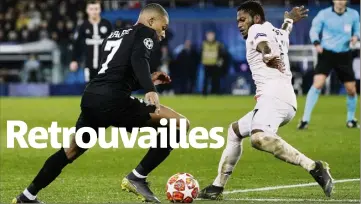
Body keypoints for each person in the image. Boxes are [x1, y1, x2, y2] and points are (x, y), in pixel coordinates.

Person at [12, 3, 190, 203]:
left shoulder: (117, 34)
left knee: (70, 151)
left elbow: (115, 75)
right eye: (163, 27)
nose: (163, 34)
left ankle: (26, 196)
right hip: (113, 101)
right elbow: (139, 59)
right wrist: (150, 88)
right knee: (180, 123)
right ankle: (137, 178)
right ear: (151, 21)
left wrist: (148, 79)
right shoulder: (146, 33)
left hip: (92, 97)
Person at [198, 1, 334, 200]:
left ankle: (314, 167)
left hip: (275, 97)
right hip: (280, 99)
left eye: (243, 19)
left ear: (256, 18)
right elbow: (284, 31)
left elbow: (264, 44)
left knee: (259, 138)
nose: (239, 24)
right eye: (237, 20)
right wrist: (289, 20)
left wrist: (267, 53)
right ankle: (217, 187)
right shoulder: (276, 31)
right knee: (234, 131)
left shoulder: (256, 30)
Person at [298, 0, 360, 129]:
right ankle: (305, 120)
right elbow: (314, 29)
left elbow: (357, 30)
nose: (340, 1)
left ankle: (351, 120)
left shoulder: (353, 14)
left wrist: (355, 37)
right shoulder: (323, 14)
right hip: (326, 54)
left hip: (344, 55)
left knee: (351, 90)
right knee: (317, 84)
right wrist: (316, 43)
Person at [69, 0, 113, 83]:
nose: (94, 11)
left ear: (100, 10)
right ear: (87, 10)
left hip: (105, 65)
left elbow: (114, 43)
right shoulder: (83, 26)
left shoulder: (107, 25)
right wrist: (74, 60)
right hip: (88, 65)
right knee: (90, 89)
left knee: (104, 89)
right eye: (91, 9)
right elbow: (77, 44)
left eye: (96, 9)